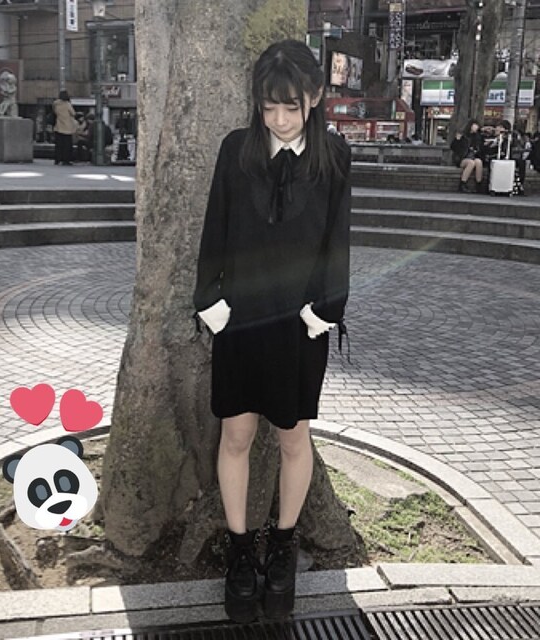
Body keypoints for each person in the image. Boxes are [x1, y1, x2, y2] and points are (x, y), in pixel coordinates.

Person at [193, 40, 350, 623]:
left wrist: (325, 309)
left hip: (299, 323)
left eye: (290, 106)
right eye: (268, 107)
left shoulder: (334, 156)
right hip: (240, 319)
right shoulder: (236, 149)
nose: (279, 120)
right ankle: (240, 552)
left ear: (314, 97)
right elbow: (214, 228)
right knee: (235, 434)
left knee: (293, 436)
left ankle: (282, 546)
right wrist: (210, 303)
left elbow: (338, 239)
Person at [484, 120, 525, 196]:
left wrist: (506, 137)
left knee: (521, 162)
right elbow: (487, 149)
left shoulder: (510, 138)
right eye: (498, 127)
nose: (498, 129)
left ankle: (519, 185)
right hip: (494, 157)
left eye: (501, 127)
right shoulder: (491, 138)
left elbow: (512, 146)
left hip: (507, 157)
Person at [450, 119, 484, 193]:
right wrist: (457, 140)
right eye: (475, 125)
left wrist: (476, 150)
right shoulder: (463, 136)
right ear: (471, 126)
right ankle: (463, 183)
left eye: (477, 126)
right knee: (471, 163)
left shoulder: (478, 137)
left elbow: (480, 148)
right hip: (462, 158)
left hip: (473, 156)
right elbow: (453, 147)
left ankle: (478, 184)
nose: (476, 127)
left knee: (478, 162)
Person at [52, 90, 77, 166]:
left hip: (58, 126)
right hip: (67, 127)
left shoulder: (55, 104)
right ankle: (66, 160)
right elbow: (73, 113)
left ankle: (57, 159)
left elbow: (54, 112)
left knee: (59, 145)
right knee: (67, 145)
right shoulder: (67, 104)